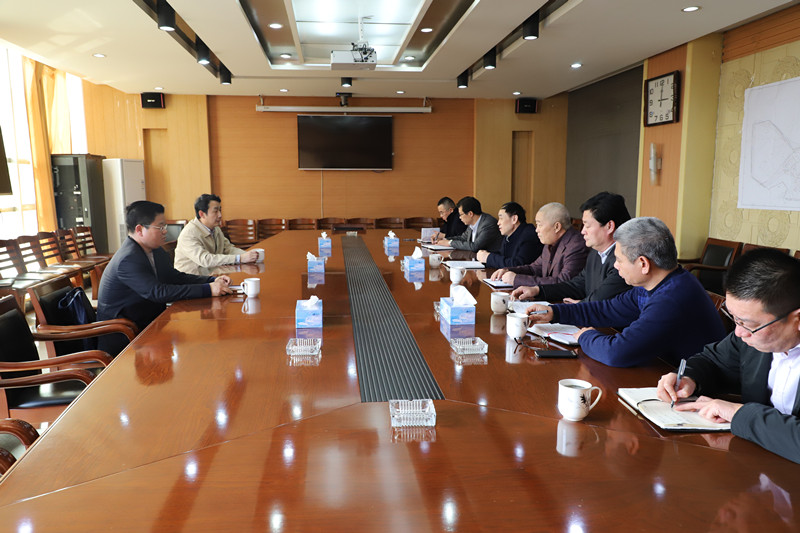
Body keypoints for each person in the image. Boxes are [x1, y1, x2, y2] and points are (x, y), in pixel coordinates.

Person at [657, 249, 800, 463]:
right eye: (734, 318)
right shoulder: (750, 337)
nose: (739, 332)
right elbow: (712, 361)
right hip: (755, 461)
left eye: (748, 324)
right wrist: (689, 378)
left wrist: (738, 413)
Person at [526, 217, 726, 367]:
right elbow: (606, 309)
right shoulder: (656, 284)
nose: (616, 266)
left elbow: (617, 352)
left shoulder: (672, 297)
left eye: (619, 260)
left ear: (643, 264)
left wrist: (585, 336)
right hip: (662, 372)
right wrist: (554, 312)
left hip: (694, 393)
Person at [97, 201, 232, 355]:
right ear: (140, 230)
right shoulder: (127, 259)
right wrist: (208, 290)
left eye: (165, 226)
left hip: (150, 323)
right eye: (160, 227)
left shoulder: (155, 250)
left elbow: (174, 277)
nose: (165, 231)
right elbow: (158, 292)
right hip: (125, 337)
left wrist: (211, 281)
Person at [511, 192, 631, 303]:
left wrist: (580, 305)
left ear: (609, 226)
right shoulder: (595, 253)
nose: (582, 231)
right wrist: (538, 291)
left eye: (587, 226)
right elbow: (576, 285)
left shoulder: (624, 260)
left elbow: (599, 301)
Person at [491, 202, 588, 288]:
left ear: (557, 227)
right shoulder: (550, 242)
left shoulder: (576, 246)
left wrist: (516, 279)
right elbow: (534, 269)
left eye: (540, 225)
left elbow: (563, 283)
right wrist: (508, 270)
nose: (536, 230)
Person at [174, 193, 258, 273]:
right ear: (202, 214)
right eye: (215, 211)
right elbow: (205, 260)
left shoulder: (216, 228)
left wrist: (248, 255)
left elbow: (228, 249)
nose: (220, 215)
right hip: (191, 280)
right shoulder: (189, 233)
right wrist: (239, 258)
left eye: (220, 210)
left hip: (212, 275)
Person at [476, 202, 542, 268]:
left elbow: (518, 265)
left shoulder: (529, 235)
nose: (498, 223)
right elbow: (503, 256)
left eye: (501, 218)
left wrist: (488, 258)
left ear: (514, 219)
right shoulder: (509, 235)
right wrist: (485, 255)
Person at [433, 196, 503, 253]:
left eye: (461, 214)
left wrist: (450, 243)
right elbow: (463, 238)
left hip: (491, 263)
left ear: (470, 214)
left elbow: (475, 246)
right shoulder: (471, 223)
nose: (459, 218)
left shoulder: (487, 224)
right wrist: (444, 239)